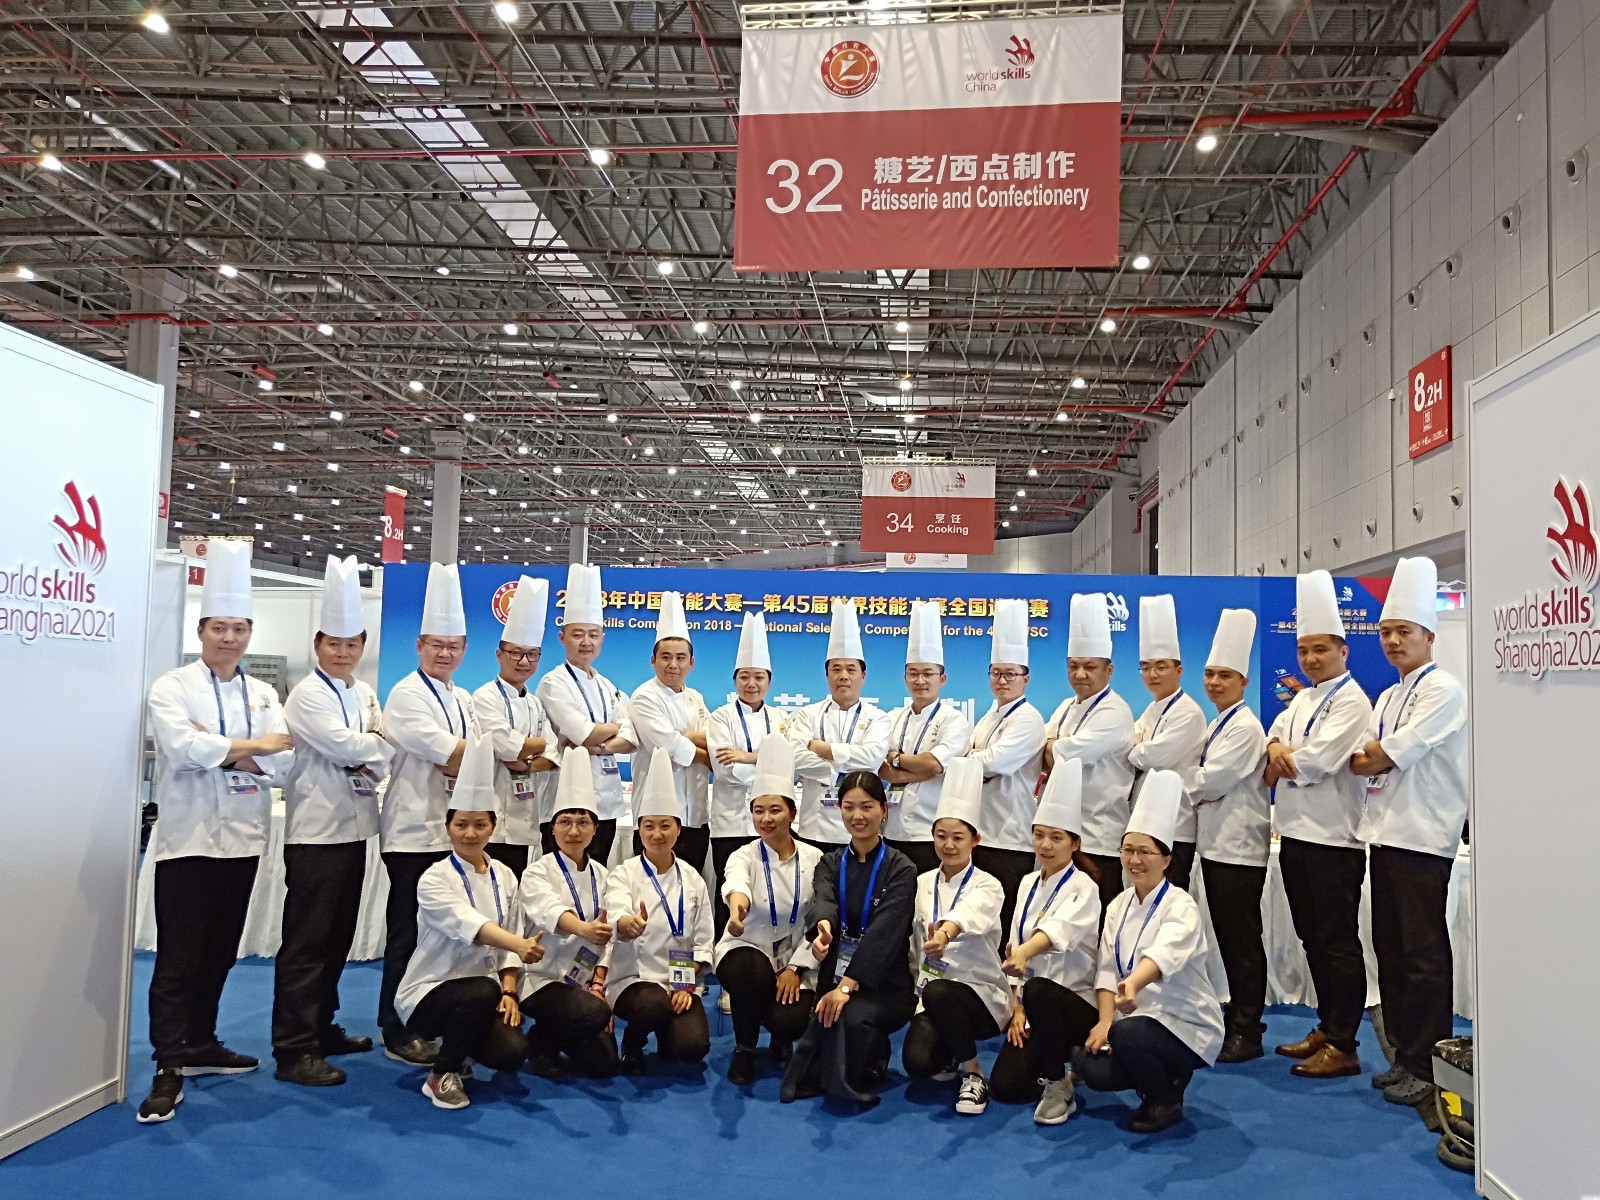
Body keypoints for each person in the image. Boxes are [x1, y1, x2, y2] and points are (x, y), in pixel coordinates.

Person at [139, 541, 295, 1123]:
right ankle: (168, 1063)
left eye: (239, 628)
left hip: (243, 842)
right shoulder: (172, 687)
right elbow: (182, 749)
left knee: (221, 951)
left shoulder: (263, 693)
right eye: (219, 627)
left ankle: (201, 1041)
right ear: (202, 630)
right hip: (188, 841)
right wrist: (252, 748)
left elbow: (286, 761)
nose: (229, 638)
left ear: (250, 633)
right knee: (179, 958)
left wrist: (225, 749)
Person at [1349, 556, 1468, 1110]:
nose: (1394, 641)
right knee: (1391, 951)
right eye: (1387, 632)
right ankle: (1404, 1053)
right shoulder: (1389, 695)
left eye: (1405, 632)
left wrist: (1373, 757)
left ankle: (1428, 1062)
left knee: (1422, 955)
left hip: (1423, 837)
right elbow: (1362, 758)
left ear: (1429, 636)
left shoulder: (1443, 690)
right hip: (1385, 834)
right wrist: (1372, 757)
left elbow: (1380, 757)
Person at [272, 556, 391, 1088]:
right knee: (307, 943)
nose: (343, 652)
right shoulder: (307, 694)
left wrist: (370, 748)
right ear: (317, 644)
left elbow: (379, 753)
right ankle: (293, 1048)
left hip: (356, 829)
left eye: (352, 644)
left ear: (362, 646)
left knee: (338, 937)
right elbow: (347, 746)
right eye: (333, 644)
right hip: (316, 834)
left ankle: (322, 1026)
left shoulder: (362, 693)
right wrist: (372, 746)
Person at [395, 734, 545, 1110]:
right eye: (461, 824)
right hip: (430, 992)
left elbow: (512, 936)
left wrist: (509, 991)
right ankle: (441, 1074)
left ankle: (461, 1047)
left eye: (479, 824)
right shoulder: (434, 879)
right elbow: (471, 925)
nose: (470, 833)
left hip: (486, 992)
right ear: (448, 827)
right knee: (479, 990)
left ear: (493, 827)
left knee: (512, 1052)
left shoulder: (505, 876)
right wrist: (519, 945)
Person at [1265, 571, 1375, 1079]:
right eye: (1304, 650)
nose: (1310, 659)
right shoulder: (1304, 698)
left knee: (1337, 942)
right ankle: (1328, 1028)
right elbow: (1272, 744)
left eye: (1321, 650)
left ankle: (1345, 1043)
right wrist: (1276, 749)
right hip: (1294, 835)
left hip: (1334, 840)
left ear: (1343, 651)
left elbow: (1316, 763)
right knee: (1311, 938)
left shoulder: (1353, 701)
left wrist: (1286, 757)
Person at [1076, 770, 1224, 1134]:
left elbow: (1164, 953)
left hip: (1185, 1021)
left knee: (1127, 1036)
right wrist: (1105, 1020)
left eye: (1145, 852)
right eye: (1128, 850)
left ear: (1166, 859)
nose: (1134, 860)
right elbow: (1107, 969)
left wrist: (1133, 984)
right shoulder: (1119, 904)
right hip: (1134, 1018)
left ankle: (1164, 1099)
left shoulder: (1180, 905)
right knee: (1090, 1067)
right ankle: (1161, 1072)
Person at [377, 563, 478, 1066]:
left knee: (440, 937)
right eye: (436, 644)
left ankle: (430, 1021)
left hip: (450, 837)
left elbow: (472, 755)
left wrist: (472, 755)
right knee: (407, 933)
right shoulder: (406, 694)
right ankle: (394, 1028)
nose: (444, 653)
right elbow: (463, 756)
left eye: (453, 645)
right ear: (419, 646)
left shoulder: (462, 698)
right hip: (413, 833)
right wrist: (475, 755)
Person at [781, 772, 917, 1108]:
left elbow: (886, 932)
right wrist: (823, 929)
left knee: (849, 1017)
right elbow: (823, 902)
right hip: (836, 973)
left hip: (885, 982)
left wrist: (847, 986)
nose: (857, 816)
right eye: (849, 807)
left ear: (884, 809)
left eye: (867, 807)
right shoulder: (830, 862)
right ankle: (866, 1059)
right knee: (819, 1034)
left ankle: (869, 1056)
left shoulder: (901, 867)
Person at [993, 758, 1103, 1125]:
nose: (1046, 845)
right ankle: (1061, 1061)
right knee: (1006, 1087)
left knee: (1040, 990)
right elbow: (1013, 948)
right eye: (1039, 835)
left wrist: (1025, 953)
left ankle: (1059, 1082)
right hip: (1033, 1007)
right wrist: (1016, 1008)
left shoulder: (1085, 888)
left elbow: (1058, 931)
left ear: (1075, 843)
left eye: (1057, 837)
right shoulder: (1027, 883)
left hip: (1076, 1004)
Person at [899, 759, 1012, 1116]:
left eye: (958, 837)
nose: (948, 845)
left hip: (980, 996)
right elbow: (911, 941)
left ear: (975, 840)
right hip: (930, 993)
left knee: (941, 991)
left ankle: (974, 1072)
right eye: (941, 836)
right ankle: (950, 1048)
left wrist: (945, 934)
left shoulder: (988, 885)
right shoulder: (921, 882)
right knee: (918, 1063)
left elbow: (970, 913)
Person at [1185, 608, 1271, 1063]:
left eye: (1225, 676)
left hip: (1238, 849)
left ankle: (1247, 1030)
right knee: (1230, 938)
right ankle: (1238, 1015)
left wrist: (1178, 781)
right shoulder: (1218, 722)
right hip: (1217, 847)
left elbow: (1210, 782)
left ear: (1243, 681)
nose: (1215, 683)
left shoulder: (1245, 727)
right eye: (1210, 674)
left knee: (1241, 942)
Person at [715, 734, 823, 1085]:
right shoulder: (743, 855)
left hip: (795, 957)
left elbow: (818, 917)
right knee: (751, 972)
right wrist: (737, 911)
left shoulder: (815, 858)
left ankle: (780, 1038)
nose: (766, 818)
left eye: (775, 810)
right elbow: (736, 884)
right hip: (746, 949)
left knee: (790, 1020)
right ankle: (745, 1049)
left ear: (792, 813)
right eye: (758, 810)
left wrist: (796, 967)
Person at [604, 748, 715, 1074]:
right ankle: (633, 1043)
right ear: (639, 830)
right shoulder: (624, 874)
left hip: (680, 979)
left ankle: (668, 1032)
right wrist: (628, 924)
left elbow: (704, 940)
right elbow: (616, 913)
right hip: (634, 980)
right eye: (649, 826)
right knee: (652, 1004)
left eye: (665, 825)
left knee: (692, 1048)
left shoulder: (692, 879)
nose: (657, 834)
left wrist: (686, 984)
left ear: (678, 830)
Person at [516, 745, 620, 1080]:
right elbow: (549, 910)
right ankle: (541, 1042)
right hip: (541, 978)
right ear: (552, 829)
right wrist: (584, 929)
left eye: (582, 822)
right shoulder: (537, 872)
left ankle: (561, 1029)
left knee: (604, 1065)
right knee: (592, 1014)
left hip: (584, 980)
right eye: (565, 822)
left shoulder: (603, 874)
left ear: (595, 829)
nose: (574, 831)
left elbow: (611, 936)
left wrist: (599, 982)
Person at [536, 563, 635, 867]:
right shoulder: (553, 683)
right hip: (564, 805)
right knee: (561, 878)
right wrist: (610, 728)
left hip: (606, 803)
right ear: (562, 637)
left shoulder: (607, 685)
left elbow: (631, 738)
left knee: (598, 875)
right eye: (577, 634)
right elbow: (583, 733)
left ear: (602, 637)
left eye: (593, 635)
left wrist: (600, 746)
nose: (586, 642)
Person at [1043, 593, 1135, 912]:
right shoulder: (1066, 706)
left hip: (1099, 840)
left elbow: (1062, 756)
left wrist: (1054, 746)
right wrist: (1054, 747)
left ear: (1109, 670)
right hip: (1064, 838)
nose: (1080, 674)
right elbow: (1043, 749)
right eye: (1074, 666)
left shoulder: (1115, 712)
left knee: (1097, 924)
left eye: (1089, 667)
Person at [964, 598, 1047, 933]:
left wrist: (967, 760)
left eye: (1010, 674)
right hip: (983, 834)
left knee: (1004, 922)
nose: (1002, 680)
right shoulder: (990, 715)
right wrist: (971, 759)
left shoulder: (1029, 719)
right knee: (981, 922)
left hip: (1010, 839)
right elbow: (974, 756)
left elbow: (995, 761)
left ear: (1026, 679)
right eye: (996, 673)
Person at [471, 575, 557, 878]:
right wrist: (534, 746)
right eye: (516, 653)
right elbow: (508, 746)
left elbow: (554, 752)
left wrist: (530, 761)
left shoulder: (534, 703)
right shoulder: (484, 697)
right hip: (489, 819)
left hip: (524, 816)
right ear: (499, 654)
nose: (524, 661)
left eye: (532, 655)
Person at [790, 599, 890, 855]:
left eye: (850, 669)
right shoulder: (808, 714)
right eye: (836, 669)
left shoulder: (878, 718)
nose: (843, 676)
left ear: (863, 675)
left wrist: (823, 749)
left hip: (861, 830)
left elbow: (873, 757)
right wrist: (839, 768)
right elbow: (796, 758)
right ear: (827, 675)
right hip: (814, 828)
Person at [880, 601, 972, 875]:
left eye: (928, 674)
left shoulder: (954, 720)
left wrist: (897, 759)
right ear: (905, 677)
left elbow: (934, 765)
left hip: (931, 833)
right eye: (914, 673)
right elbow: (881, 768)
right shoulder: (891, 717)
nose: (920, 681)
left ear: (942, 679)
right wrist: (916, 767)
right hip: (890, 830)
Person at [706, 611, 780, 937]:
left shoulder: (781, 719)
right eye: (744, 677)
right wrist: (768, 766)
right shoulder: (720, 718)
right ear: (735, 680)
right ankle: (726, 955)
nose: (752, 684)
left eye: (759, 677)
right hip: (731, 823)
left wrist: (748, 757)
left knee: (768, 894)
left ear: (769, 681)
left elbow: (788, 765)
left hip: (771, 823)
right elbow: (725, 769)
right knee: (729, 893)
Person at [1127, 595, 1207, 891]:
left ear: (1179, 670)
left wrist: (1136, 749)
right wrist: (1136, 748)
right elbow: (1130, 742)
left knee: (1168, 901)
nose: (1152, 674)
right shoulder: (1152, 708)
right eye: (1145, 667)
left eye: (1161, 666)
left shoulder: (1189, 712)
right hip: (1145, 823)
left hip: (1175, 828)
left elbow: (1152, 756)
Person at [629, 591, 713, 871]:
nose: (673, 665)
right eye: (665, 657)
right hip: (656, 819)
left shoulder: (695, 697)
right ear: (653, 660)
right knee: (652, 887)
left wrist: (682, 736)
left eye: (680, 657)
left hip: (696, 816)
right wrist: (706, 755)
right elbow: (670, 747)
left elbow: (715, 736)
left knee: (692, 886)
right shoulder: (644, 697)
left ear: (692, 662)